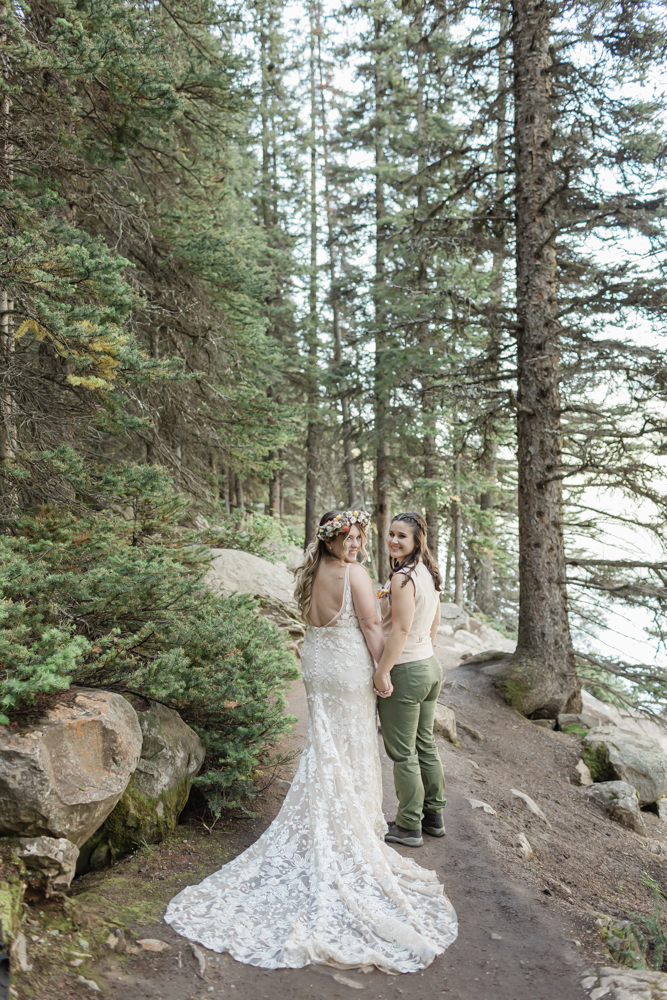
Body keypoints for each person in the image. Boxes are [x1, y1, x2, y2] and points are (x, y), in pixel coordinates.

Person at [164, 508, 457, 973]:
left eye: (361, 538)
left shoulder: (314, 569)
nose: (358, 545)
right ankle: (350, 826)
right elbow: (372, 627)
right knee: (352, 747)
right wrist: (384, 673)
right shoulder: (353, 573)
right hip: (346, 669)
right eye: (351, 538)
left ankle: (332, 813)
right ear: (333, 540)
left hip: (318, 663)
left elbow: (318, 620)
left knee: (324, 747)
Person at [373, 512, 445, 849]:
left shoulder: (403, 578)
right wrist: (425, 648)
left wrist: (383, 670)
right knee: (424, 744)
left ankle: (408, 825)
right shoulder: (426, 572)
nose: (394, 540)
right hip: (429, 666)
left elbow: (400, 630)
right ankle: (433, 816)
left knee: (403, 753)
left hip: (406, 669)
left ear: (417, 540)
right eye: (391, 534)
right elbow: (434, 621)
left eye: (402, 536)